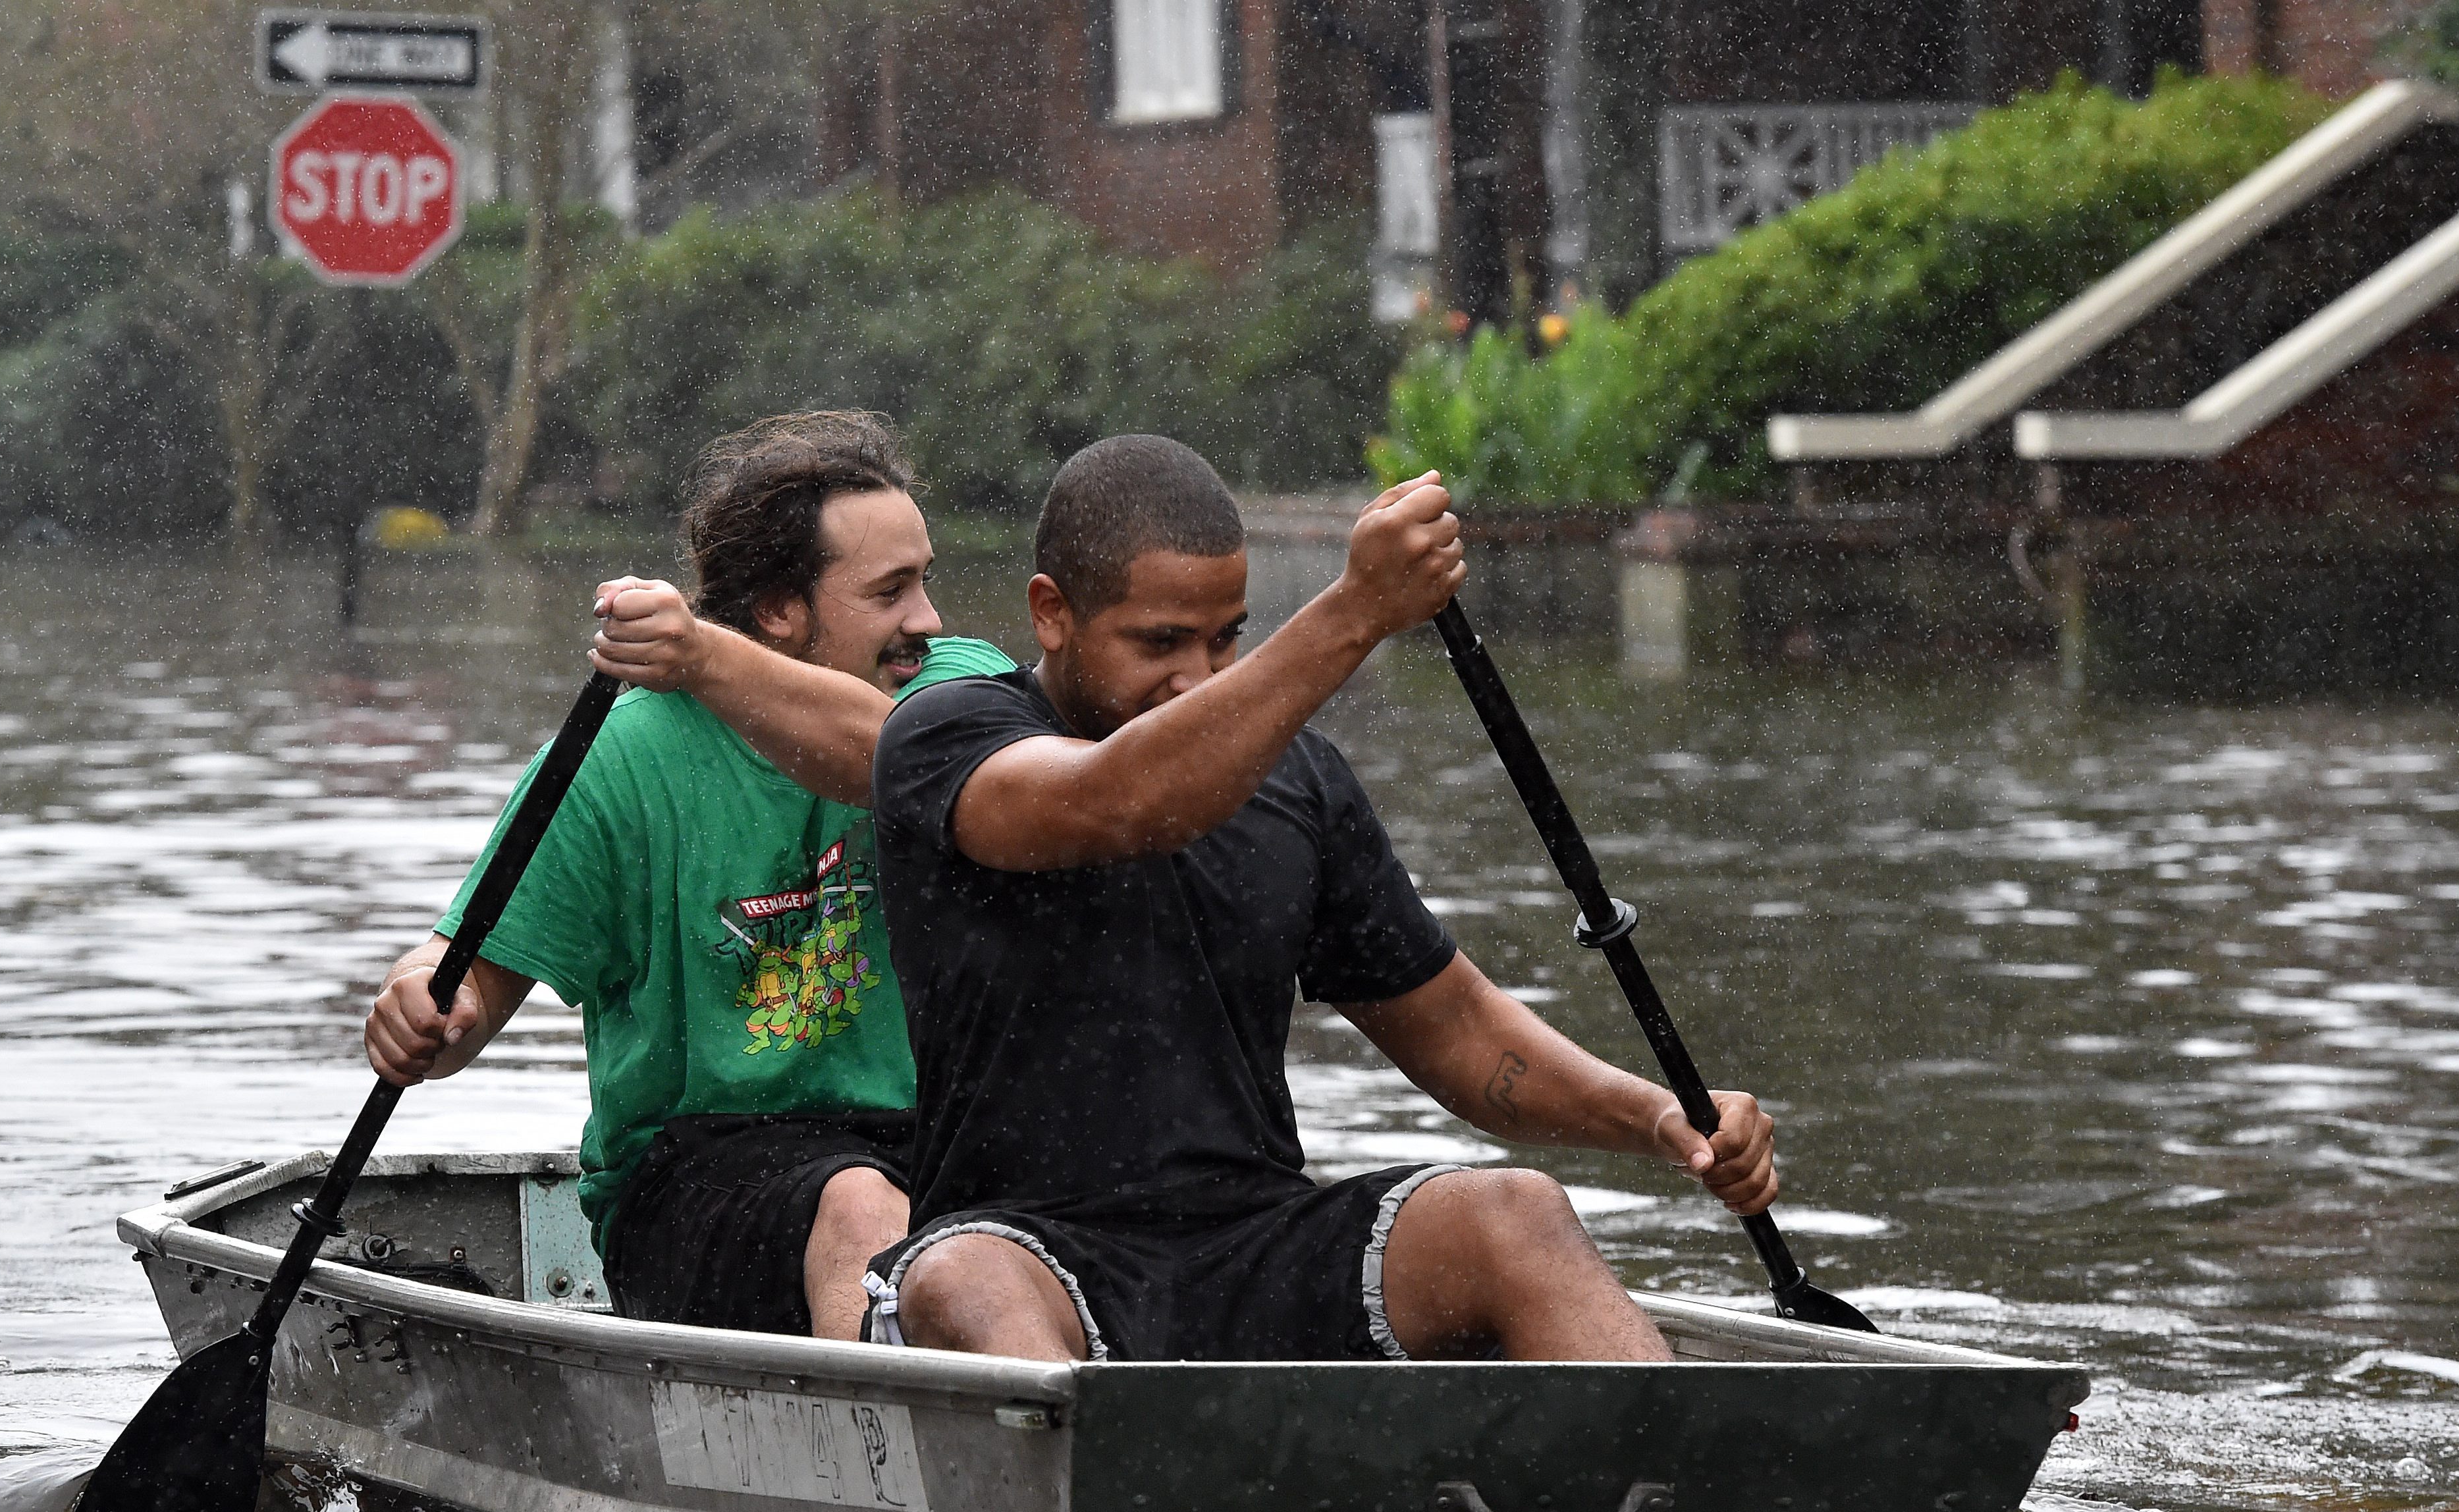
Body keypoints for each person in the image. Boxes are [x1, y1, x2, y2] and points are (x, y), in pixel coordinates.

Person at [863, 435, 1780, 1364]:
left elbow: (1459, 1031)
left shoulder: (1300, 782)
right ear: (1051, 615)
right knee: (961, 1282)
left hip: (1252, 1243)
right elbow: (1120, 802)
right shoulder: (945, 735)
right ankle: (1111, 1495)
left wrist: (1664, 1119)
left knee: (1516, 1214)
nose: (1197, 678)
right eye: (1159, 643)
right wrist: (1355, 611)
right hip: (1020, 1249)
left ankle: (1675, 1498)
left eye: (1225, 637)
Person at [363, 411, 1014, 1339]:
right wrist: (422, 1010)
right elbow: (465, 975)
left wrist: (706, 656)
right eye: (892, 590)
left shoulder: (959, 690)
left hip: (936, 1143)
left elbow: (904, 760)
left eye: (927, 581)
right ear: (780, 609)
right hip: (699, 1174)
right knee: (861, 1208)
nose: (929, 620)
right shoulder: (620, 758)